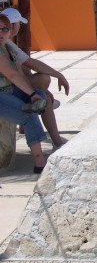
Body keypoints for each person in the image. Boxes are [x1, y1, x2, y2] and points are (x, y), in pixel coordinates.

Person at [2, 8, 68, 148]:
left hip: (11, 86)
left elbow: (26, 68)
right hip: (6, 89)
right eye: (19, 23)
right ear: (14, 25)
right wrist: (34, 92)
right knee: (44, 81)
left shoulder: (8, 43)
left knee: (43, 92)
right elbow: (23, 70)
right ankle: (57, 143)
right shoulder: (5, 43)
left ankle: (53, 140)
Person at [0, 14, 48, 173]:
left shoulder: (6, 46)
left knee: (42, 95)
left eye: (4, 29)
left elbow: (19, 74)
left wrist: (35, 94)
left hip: (9, 90)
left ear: (10, 30)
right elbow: (12, 75)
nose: (1, 32)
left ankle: (34, 106)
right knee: (29, 116)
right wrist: (32, 95)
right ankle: (39, 161)